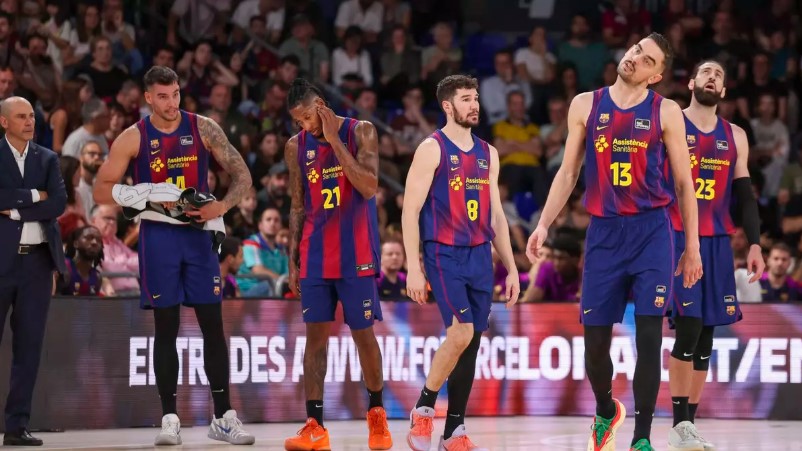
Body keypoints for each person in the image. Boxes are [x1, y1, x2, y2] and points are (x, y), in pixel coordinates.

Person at [525, 33, 703, 451]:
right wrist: (543, 224)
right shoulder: (585, 104)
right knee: (595, 346)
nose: (635, 58)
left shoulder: (665, 111)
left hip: (652, 232)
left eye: (648, 60)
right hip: (604, 233)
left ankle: (642, 438)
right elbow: (568, 172)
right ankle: (606, 409)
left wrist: (692, 246)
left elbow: (684, 183)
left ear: (655, 76)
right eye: (636, 49)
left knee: (649, 337)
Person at [92, 66, 255, 446]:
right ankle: (169, 419)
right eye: (163, 96)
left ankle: (223, 417)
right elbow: (101, 190)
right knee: (166, 328)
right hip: (159, 237)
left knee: (212, 326)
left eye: (176, 94)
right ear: (148, 98)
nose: (171, 103)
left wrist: (221, 206)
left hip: (198, 235)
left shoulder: (203, 128)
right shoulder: (133, 137)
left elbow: (243, 175)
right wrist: (143, 195)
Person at [403, 74, 520, 451]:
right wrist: (413, 266)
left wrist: (512, 268)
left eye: (475, 98)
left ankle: (454, 431)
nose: (474, 105)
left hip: (480, 255)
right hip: (444, 252)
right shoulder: (431, 148)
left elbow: (497, 215)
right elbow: (410, 210)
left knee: (471, 343)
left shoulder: (489, 153)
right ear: (447, 106)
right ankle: (423, 407)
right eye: (466, 99)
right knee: (461, 332)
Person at [283, 77, 392, 451]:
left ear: (322, 106)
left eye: (308, 117)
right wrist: (293, 259)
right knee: (315, 340)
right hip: (315, 253)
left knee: (363, 336)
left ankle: (376, 415)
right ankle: (314, 425)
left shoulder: (361, 131)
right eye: (298, 121)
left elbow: (369, 186)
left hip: (356, 253)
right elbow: (297, 204)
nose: (305, 125)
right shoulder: (295, 147)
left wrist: (333, 140)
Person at [666, 60, 765, 451]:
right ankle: (678, 423)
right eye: (706, 72)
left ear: (723, 91)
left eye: (719, 75)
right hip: (679, 237)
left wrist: (754, 243)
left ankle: (688, 426)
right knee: (689, 327)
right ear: (691, 83)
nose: (712, 77)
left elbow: (745, 196)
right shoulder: (671, 123)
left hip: (719, 243)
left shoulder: (735, 135)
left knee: (706, 336)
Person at [0, 96, 67, 446]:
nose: (30, 122)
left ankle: (17, 426)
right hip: (1, 262)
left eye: (31, 116)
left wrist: (15, 210)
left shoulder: (48, 158)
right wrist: (33, 196)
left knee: (28, 349)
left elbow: (58, 203)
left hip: (38, 264)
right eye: (21, 117)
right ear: (4, 122)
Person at [59, 225, 114, 296]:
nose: (94, 242)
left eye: (98, 240)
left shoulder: (97, 278)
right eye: (88, 238)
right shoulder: (62, 269)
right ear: (76, 243)